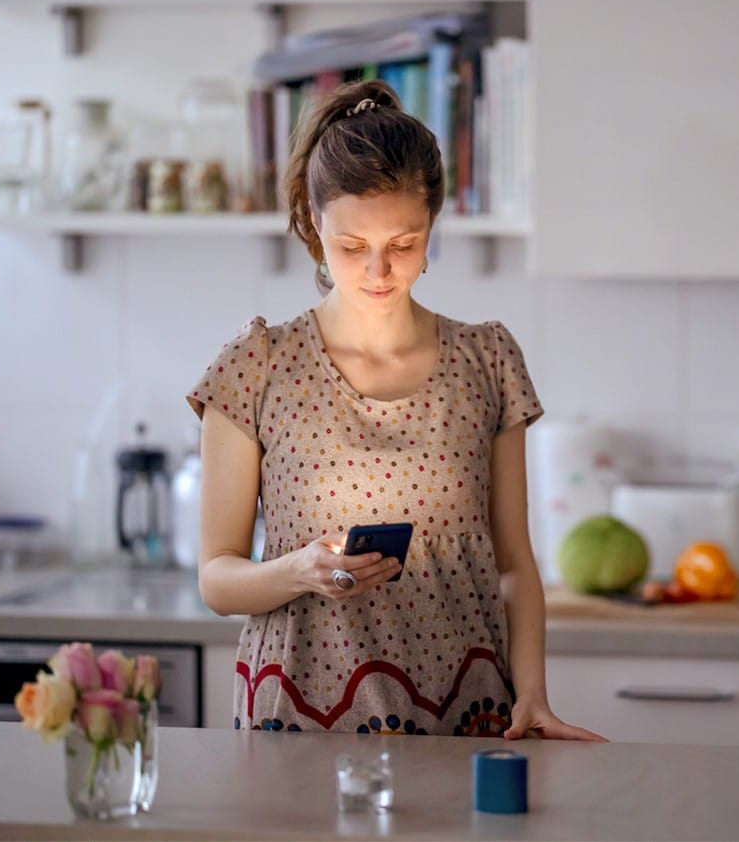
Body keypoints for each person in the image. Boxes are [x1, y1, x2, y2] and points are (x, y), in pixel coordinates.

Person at [189, 79, 605, 741]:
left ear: (432, 227)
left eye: (405, 244)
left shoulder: (487, 361)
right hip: (300, 715)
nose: (379, 270)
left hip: (465, 713)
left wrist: (534, 695)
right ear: (310, 218)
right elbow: (217, 577)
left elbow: (515, 564)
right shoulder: (257, 364)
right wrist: (298, 570)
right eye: (353, 246)